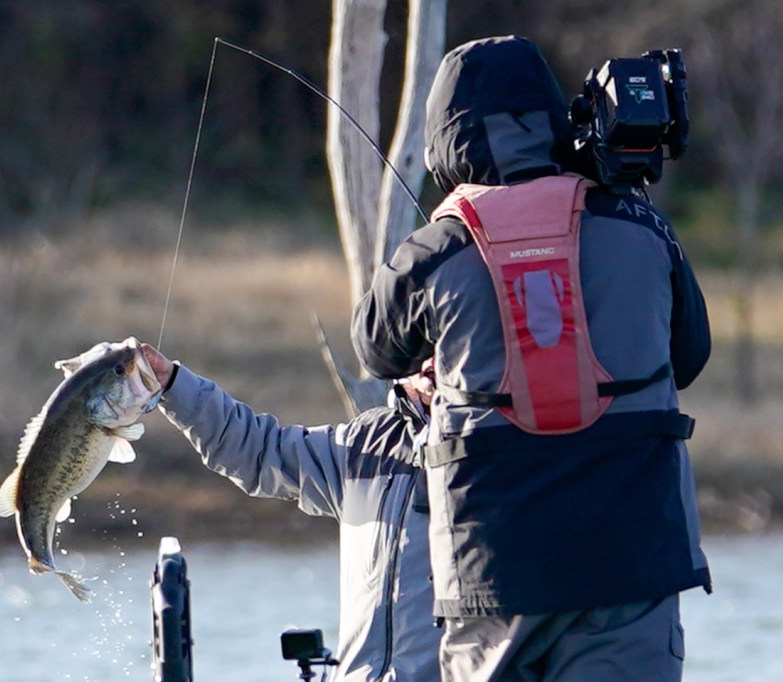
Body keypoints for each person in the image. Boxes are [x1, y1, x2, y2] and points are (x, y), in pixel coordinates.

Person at [349, 36, 712, 681]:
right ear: (555, 120)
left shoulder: (433, 251)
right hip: (634, 559)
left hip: (492, 572)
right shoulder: (644, 229)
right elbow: (690, 356)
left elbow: (374, 347)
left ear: (444, 146)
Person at [139, 342, 442, 682]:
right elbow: (261, 451)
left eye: (448, 341)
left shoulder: (492, 452)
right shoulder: (365, 443)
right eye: (423, 342)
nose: (431, 359)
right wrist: (173, 384)